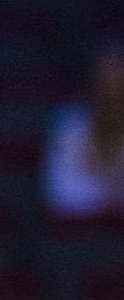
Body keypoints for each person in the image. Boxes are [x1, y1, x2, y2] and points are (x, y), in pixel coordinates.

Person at [42, 39, 124, 219]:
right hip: (81, 231)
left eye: (120, 79)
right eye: (106, 80)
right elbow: (61, 193)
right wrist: (111, 192)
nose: (113, 89)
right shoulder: (69, 123)